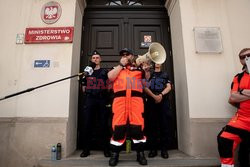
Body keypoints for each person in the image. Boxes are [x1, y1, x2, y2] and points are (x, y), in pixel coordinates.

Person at [108, 48, 147, 166]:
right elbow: (110, 77)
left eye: (127, 54)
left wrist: (146, 70)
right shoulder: (116, 68)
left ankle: (140, 154)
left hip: (136, 102)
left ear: (132, 56)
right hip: (120, 102)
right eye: (123, 55)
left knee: (138, 127)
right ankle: (115, 155)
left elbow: (146, 82)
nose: (125, 56)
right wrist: (121, 65)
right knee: (118, 127)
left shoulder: (139, 69)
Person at [217, 48, 250, 167]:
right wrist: (241, 92)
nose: (247, 58)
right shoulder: (238, 77)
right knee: (224, 138)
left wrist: (242, 92)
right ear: (240, 61)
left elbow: (237, 95)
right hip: (242, 119)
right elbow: (232, 98)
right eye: (243, 57)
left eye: (249, 55)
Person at [80, 50, 111, 158]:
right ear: (91, 60)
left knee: (103, 125)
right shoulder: (87, 72)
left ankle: (106, 149)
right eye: (93, 58)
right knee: (88, 124)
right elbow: (83, 88)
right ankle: (86, 149)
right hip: (90, 100)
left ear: (100, 60)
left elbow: (109, 87)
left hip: (102, 100)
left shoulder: (105, 72)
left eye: (97, 57)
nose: (95, 59)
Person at [144, 63, 172, 159]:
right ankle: (153, 149)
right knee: (152, 126)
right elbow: (145, 86)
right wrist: (154, 96)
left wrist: (160, 95)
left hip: (163, 102)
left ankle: (164, 149)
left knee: (164, 126)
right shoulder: (149, 73)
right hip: (152, 102)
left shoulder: (165, 74)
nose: (157, 62)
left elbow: (169, 87)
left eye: (159, 61)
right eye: (156, 61)